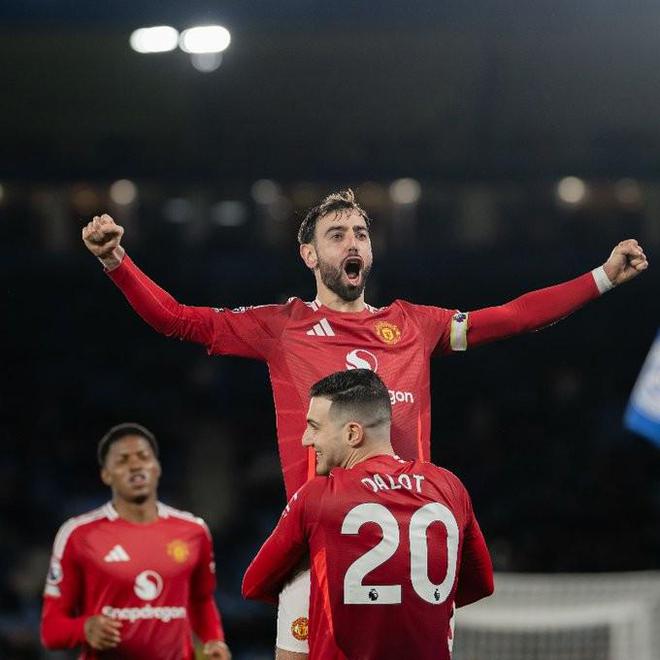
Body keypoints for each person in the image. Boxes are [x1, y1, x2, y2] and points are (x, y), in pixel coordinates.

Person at [81, 189, 647, 657]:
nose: (352, 242)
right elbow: (178, 319)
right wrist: (116, 262)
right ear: (308, 255)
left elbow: (513, 317)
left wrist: (601, 277)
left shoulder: (414, 326)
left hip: (408, 553)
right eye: (337, 234)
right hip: (316, 547)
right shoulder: (281, 327)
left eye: (360, 233)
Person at [243, 369, 494, 659]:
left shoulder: (318, 497)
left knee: (300, 578)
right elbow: (481, 584)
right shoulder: (449, 486)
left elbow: (254, 585)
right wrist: (406, 601)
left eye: (314, 427)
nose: (306, 439)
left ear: (352, 433)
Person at [40, 423, 231, 660]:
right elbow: (51, 630)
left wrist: (214, 640)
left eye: (143, 457)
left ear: (157, 467)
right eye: (122, 460)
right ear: (106, 475)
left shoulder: (194, 531)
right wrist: (84, 629)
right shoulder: (78, 534)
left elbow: (201, 601)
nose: (135, 465)